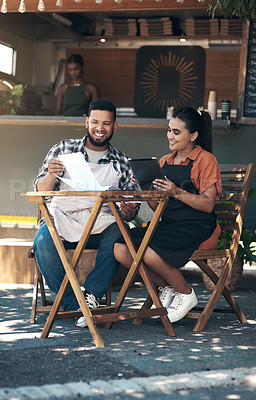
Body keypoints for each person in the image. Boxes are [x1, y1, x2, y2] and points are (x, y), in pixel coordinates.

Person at [33, 99, 138, 328]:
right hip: (64, 218)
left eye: (106, 123)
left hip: (101, 222)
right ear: (86, 121)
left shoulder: (121, 161)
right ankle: (74, 305)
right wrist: (51, 176)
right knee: (42, 241)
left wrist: (129, 209)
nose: (100, 128)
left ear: (115, 126)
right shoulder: (63, 149)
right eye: (95, 122)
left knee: (121, 232)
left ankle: (92, 295)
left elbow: (130, 209)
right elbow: (41, 191)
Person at [114, 107, 222, 323]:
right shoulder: (163, 162)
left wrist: (176, 192)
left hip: (197, 225)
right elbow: (158, 208)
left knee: (150, 251)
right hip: (170, 224)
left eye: (176, 132)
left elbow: (208, 205)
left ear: (193, 136)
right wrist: (145, 190)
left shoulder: (205, 160)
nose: (169, 136)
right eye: (169, 130)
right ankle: (166, 287)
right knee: (121, 248)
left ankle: (185, 294)